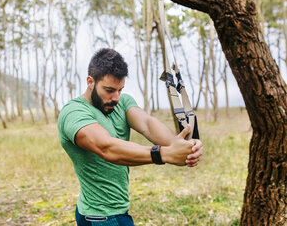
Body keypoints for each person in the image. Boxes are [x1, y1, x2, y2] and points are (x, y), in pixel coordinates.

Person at [57, 48, 203, 226]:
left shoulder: (122, 102)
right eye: (109, 90)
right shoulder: (74, 112)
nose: (116, 97)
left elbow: (147, 124)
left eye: (120, 90)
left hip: (115, 212)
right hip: (101, 217)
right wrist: (164, 154)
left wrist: (182, 146)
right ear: (90, 81)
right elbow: (106, 147)